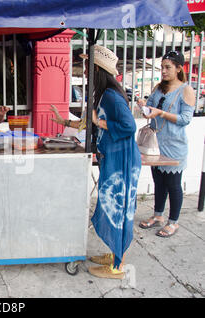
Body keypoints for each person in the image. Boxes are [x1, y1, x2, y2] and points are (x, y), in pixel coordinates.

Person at [51, 45, 141, 279]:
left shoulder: (111, 96)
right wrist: (63, 121)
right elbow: (87, 123)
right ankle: (115, 253)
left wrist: (99, 123)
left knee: (117, 209)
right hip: (113, 158)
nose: (85, 72)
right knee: (109, 206)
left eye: (88, 68)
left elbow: (129, 127)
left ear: (98, 70)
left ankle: (117, 267)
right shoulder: (102, 94)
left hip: (123, 161)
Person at [138, 51, 195, 238]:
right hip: (155, 144)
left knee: (173, 184)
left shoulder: (185, 90)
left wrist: (160, 113)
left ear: (179, 68)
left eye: (167, 67)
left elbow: (185, 119)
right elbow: (150, 111)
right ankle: (158, 215)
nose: (163, 71)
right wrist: (143, 106)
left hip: (174, 145)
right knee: (159, 181)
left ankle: (173, 222)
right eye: (162, 67)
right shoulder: (158, 88)